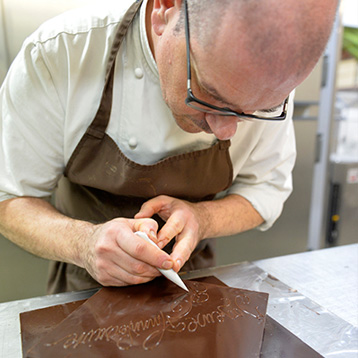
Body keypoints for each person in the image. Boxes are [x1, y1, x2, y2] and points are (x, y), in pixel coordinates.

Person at [0, 0, 337, 293]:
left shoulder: (269, 79)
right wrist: (84, 243)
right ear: (164, 10)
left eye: (257, 111)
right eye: (210, 96)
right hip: (81, 291)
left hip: (193, 284)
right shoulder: (61, 53)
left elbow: (266, 189)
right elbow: (9, 200)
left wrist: (203, 218)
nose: (225, 131)